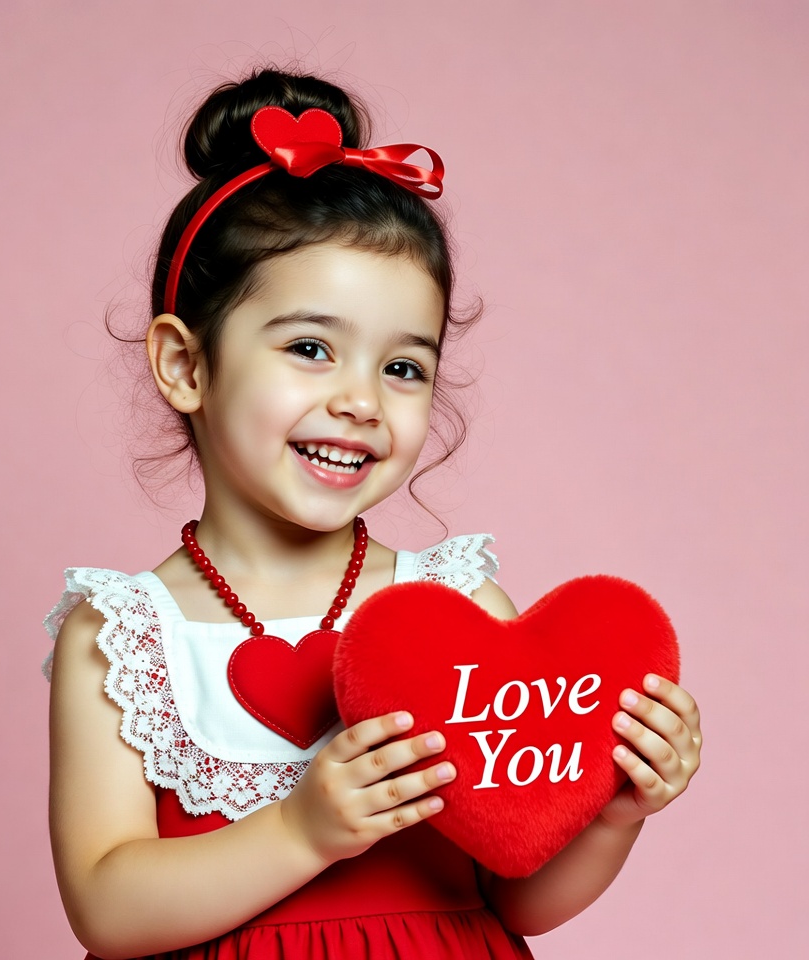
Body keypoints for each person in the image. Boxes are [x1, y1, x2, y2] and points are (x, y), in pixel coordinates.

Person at [44, 69, 702, 960]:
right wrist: (302, 829)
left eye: (403, 368)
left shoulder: (465, 610)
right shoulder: (123, 638)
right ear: (185, 365)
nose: (362, 401)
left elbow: (519, 898)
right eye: (312, 349)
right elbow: (107, 910)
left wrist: (613, 813)